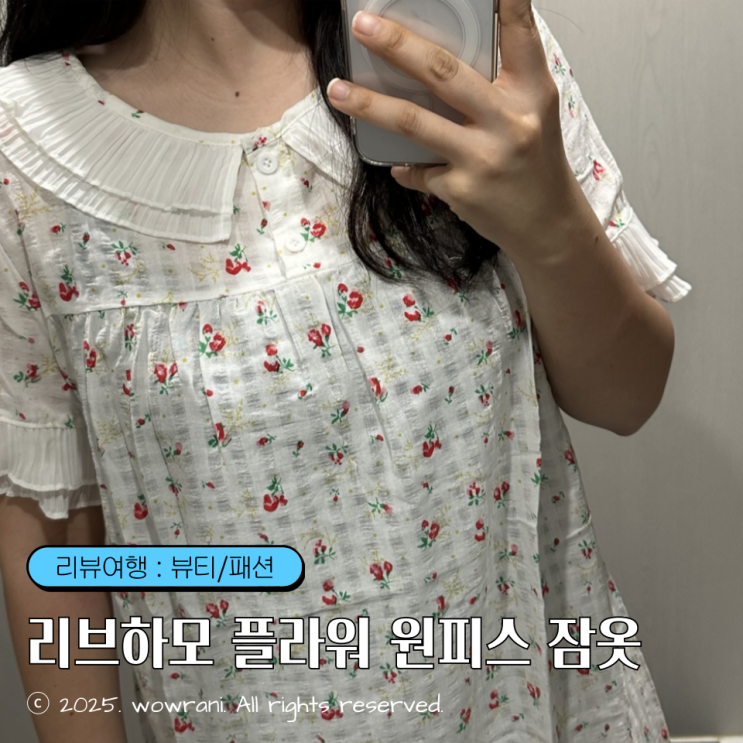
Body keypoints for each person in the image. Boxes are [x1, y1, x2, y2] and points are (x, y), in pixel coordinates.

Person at [0, 1, 691, 742]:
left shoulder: (456, 47)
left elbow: (627, 397)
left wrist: (548, 222)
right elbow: (53, 529)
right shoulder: (24, 148)